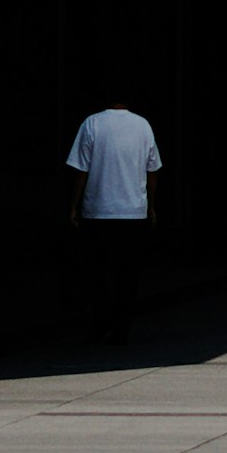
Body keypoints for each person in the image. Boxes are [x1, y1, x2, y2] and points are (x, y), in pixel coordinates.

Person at [65, 95, 164, 343]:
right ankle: (121, 328)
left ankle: (101, 321)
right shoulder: (143, 125)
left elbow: (80, 169)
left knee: (95, 272)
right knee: (127, 275)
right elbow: (152, 170)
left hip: (98, 211)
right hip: (133, 211)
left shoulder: (92, 123)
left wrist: (74, 205)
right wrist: (151, 206)